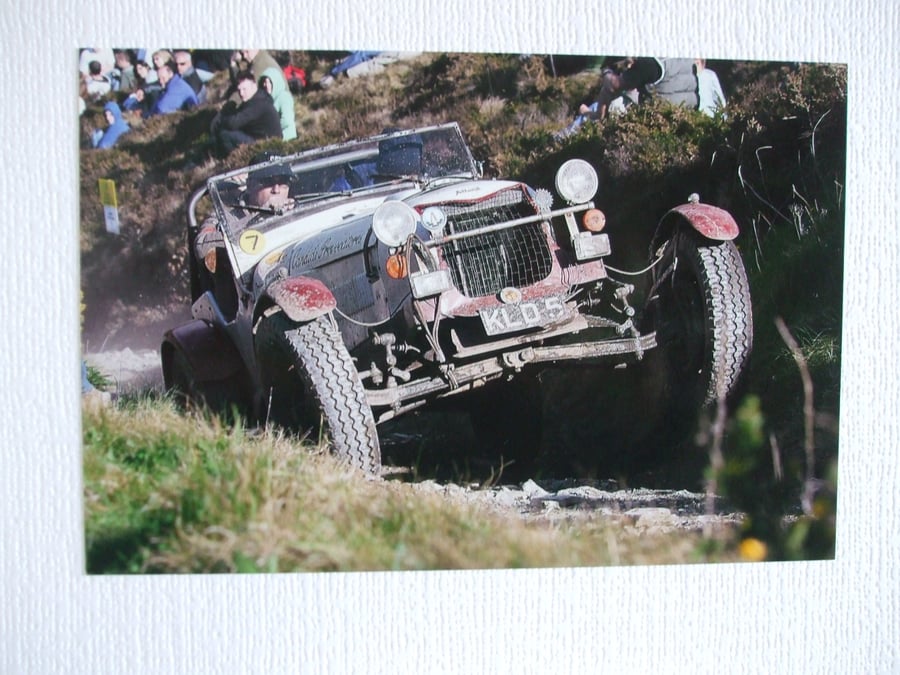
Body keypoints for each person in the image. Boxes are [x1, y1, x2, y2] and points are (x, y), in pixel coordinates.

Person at [210, 70, 282, 154]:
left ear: (254, 86)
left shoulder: (258, 104)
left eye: (244, 89)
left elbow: (233, 123)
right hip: (263, 140)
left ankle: (233, 161)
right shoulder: (258, 98)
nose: (241, 93)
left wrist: (223, 118)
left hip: (266, 145)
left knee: (225, 135)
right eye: (239, 90)